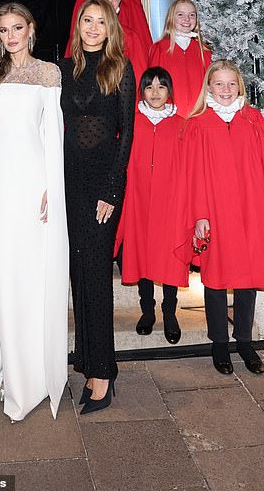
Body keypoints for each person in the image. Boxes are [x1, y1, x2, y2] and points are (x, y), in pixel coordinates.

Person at [0, 3, 68, 422]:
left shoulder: (48, 73)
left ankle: (28, 378)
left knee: (27, 279)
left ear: (31, 28)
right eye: (3, 30)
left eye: (17, 27)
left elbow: (52, 136)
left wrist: (49, 188)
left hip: (31, 185)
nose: (10, 36)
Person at [175, 60, 264, 375]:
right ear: (209, 87)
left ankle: (245, 342)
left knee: (248, 275)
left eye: (231, 84)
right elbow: (191, 175)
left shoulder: (253, 120)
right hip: (214, 211)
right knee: (215, 277)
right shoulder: (197, 124)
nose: (226, 90)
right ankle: (220, 344)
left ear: (239, 86)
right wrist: (199, 215)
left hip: (250, 209)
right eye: (219, 84)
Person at [59, 0, 135, 415]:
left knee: (96, 277)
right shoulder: (65, 69)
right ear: (79, 26)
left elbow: (126, 138)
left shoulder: (121, 70)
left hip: (101, 185)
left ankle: (103, 374)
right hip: (68, 180)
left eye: (100, 22)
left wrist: (111, 191)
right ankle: (86, 363)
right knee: (78, 275)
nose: (92, 28)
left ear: (110, 29)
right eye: (86, 20)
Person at [115, 67, 187, 343]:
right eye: (149, 87)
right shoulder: (131, 123)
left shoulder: (181, 124)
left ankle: (170, 312)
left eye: (161, 87)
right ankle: (147, 311)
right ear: (141, 92)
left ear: (169, 91)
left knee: (169, 256)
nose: (155, 93)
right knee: (142, 254)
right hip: (139, 200)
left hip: (171, 203)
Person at [66, 0, 148, 84]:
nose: (110, 0)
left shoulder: (130, 36)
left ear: (119, 1)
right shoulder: (84, 32)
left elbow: (139, 77)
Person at [148, 0, 212, 118]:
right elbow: (154, 84)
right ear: (171, 18)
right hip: (170, 115)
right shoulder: (160, 48)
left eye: (191, 15)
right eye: (180, 14)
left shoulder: (204, 51)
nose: (187, 19)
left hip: (198, 115)